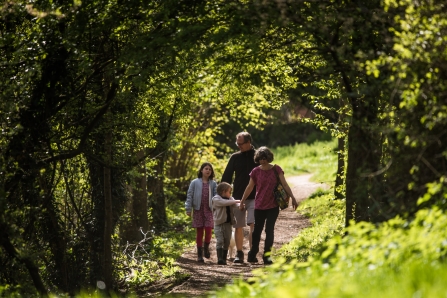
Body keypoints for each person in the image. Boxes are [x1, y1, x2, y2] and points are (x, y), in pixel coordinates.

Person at [239, 146, 298, 265]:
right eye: (260, 158)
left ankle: (267, 256)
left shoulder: (276, 169)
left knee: (269, 230)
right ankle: (253, 253)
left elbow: (285, 184)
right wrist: (242, 200)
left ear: (269, 158)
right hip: (259, 205)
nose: (262, 161)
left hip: (273, 205)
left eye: (264, 158)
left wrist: (293, 197)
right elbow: (250, 187)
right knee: (256, 231)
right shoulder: (255, 171)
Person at [222, 132, 258, 263]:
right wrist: (224, 196)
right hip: (237, 197)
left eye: (241, 144)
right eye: (237, 144)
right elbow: (226, 177)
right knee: (238, 226)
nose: (239, 146)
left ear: (249, 142)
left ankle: (252, 253)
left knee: (253, 225)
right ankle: (239, 253)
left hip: (255, 196)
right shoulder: (235, 157)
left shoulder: (258, 156)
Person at [185, 162, 218, 262]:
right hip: (198, 209)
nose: (208, 171)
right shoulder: (194, 182)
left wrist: (217, 208)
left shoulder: (213, 183)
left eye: (210, 169)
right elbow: (190, 195)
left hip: (209, 210)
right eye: (206, 169)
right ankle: (199, 254)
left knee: (208, 230)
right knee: (199, 232)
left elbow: (216, 197)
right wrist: (188, 208)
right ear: (201, 170)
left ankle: (206, 248)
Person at [211, 182, 240, 265]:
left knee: (227, 241)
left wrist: (240, 206)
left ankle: (224, 258)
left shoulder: (230, 199)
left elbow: (235, 205)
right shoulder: (216, 199)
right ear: (223, 191)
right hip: (219, 224)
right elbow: (224, 203)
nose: (230, 194)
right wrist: (236, 201)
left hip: (228, 224)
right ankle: (219, 258)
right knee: (220, 240)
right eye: (229, 191)